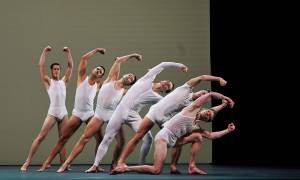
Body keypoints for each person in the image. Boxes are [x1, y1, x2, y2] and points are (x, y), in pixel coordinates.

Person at [86, 62, 188, 173]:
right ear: (163, 80)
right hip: (121, 110)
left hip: (133, 115)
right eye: (167, 82)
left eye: (168, 87)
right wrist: (179, 65)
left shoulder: (159, 98)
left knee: (148, 138)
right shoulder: (148, 79)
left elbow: (172, 104)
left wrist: (190, 103)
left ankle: (141, 165)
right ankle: (95, 165)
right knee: (108, 137)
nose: (166, 84)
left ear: (165, 91)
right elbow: (163, 64)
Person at [114, 75, 227, 173]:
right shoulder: (186, 89)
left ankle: (174, 165)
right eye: (203, 93)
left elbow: (209, 113)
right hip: (154, 113)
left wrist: (223, 105)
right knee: (138, 137)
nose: (203, 95)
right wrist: (218, 79)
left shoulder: (193, 107)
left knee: (181, 136)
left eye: (204, 97)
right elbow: (202, 78)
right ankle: (121, 162)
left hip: (165, 119)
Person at [56, 53, 141, 173]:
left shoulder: (124, 91)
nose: (130, 77)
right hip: (99, 114)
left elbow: (140, 91)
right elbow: (118, 61)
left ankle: (114, 164)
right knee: (84, 138)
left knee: (121, 141)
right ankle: (66, 163)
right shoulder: (112, 78)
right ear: (125, 74)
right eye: (130, 75)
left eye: (132, 79)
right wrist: (133, 55)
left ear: (130, 83)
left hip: (112, 116)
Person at [38, 48, 106, 171]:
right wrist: (96, 50)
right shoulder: (82, 77)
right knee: (63, 138)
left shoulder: (98, 85)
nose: (99, 70)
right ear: (93, 70)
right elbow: (84, 58)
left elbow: (112, 80)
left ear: (101, 76)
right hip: (78, 114)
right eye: (98, 68)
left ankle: (96, 165)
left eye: (101, 71)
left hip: (90, 114)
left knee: (100, 138)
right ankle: (46, 163)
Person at [20, 46, 74, 172]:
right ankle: (27, 162)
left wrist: (68, 53)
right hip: (53, 113)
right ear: (51, 71)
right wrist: (44, 51)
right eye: (54, 69)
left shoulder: (64, 81)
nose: (56, 71)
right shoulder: (48, 81)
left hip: (64, 113)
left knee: (63, 139)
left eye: (58, 69)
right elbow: (40, 66)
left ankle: (63, 164)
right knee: (40, 137)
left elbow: (71, 66)